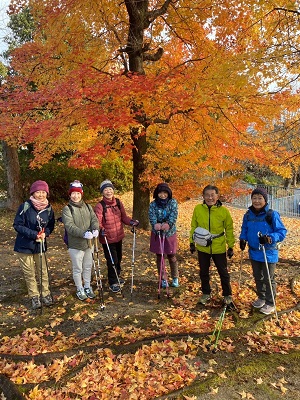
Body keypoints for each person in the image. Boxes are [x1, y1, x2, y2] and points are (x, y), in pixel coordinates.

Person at [239, 187, 287, 315]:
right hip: (254, 251)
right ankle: (262, 297)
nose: (257, 201)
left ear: (265, 200)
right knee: (258, 277)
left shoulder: (271, 214)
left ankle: (271, 303)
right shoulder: (248, 215)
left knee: (268, 278)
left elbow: (282, 232)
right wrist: (243, 239)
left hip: (268, 252)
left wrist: (270, 238)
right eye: (254, 198)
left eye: (260, 198)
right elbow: (245, 228)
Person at [190, 184, 235, 307]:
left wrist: (231, 246)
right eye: (207, 195)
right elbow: (194, 226)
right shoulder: (198, 209)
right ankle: (206, 293)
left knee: (223, 272)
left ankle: (227, 295)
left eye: (212, 195)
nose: (210, 198)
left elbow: (229, 228)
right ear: (203, 196)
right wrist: (191, 242)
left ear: (217, 196)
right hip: (202, 245)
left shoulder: (224, 211)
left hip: (218, 246)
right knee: (203, 272)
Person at [13, 180, 55, 310]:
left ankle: (46, 294)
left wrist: (45, 233)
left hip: (40, 245)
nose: (41, 195)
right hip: (24, 245)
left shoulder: (48, 208)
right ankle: (34, 297)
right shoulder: (25, 206)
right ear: (33, 193)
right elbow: (17, 225)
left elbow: (50, 225)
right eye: (38, 192)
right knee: (29, 272)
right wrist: (34, 234)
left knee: (43, 270)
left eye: (43, 192)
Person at [94, 180, 139, 293]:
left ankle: (117, 276)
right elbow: (97, 221)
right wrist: (101, 230)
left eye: (110, 189)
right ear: (102, 192)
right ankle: (113, 282)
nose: (108, 192)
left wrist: (131, 222)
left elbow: (124, 217)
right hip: (107, 238)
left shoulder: (118, 202)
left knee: (118, 258)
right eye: (105, 190)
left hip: (118, 236)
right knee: (112, 260)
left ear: (113, 190)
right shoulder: (100, 206)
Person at [62, 180, 99, 301]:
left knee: (88, 266)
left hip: (89, 243)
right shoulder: (67, 209)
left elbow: (94, 219)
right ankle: (79, 288)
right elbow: (70, 226)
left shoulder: (88, 206)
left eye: (78, 193)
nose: (75, 196)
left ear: (81, 194)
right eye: (73, 193)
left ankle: (87, 286)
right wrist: (83, 233)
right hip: (75, 244)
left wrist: (95, 229)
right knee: (78, 268)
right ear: (70, 194)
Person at [148, 182, 179, 288]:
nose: (162, 195)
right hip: (158, 233)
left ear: (168, 193)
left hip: (169, 233)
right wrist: (155, 224)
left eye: (165, 193)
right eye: (160, 193)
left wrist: (168, 224)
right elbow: (151, 215)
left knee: (172, 255)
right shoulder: (153, 204)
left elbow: (174, 214)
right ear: (157, 193)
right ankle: (163, 278)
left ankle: (175, 277)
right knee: (160, 256)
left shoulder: (173, 202)